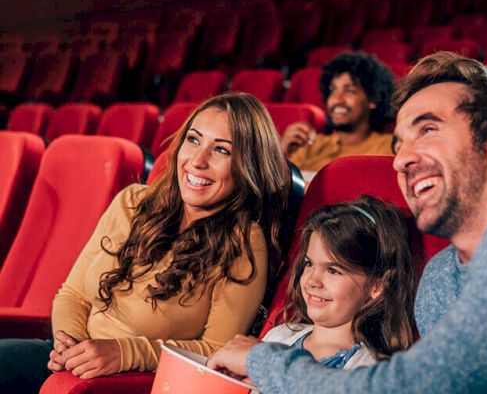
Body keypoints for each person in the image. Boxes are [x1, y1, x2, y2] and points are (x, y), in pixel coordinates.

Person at [207, 52, 487, 393]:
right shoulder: (441, 278)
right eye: (398, 144)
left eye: (427, 129)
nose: (401, 160)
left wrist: (265, 361)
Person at [0, 93, 289, 393]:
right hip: (68, 358)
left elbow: (217, 350)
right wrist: (70, 349)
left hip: (132, 379)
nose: (198, 161)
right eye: (193, 140)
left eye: (221, 150)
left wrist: (124, 353)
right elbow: (72, 294)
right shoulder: (132, 201)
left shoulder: (243, 243)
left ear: (247, 166)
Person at [260, 196, 416, 368]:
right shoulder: (278, 337)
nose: (313, 281)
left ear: (377, 285)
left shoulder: (368, 369)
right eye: (309, 264)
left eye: (333, 271)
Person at [281, 51, 397, 178]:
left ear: (373, 99)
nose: (337, 99)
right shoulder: (312, 144)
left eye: (349, 91)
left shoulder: (389, 148)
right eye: (333, 90)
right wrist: (281, 152)